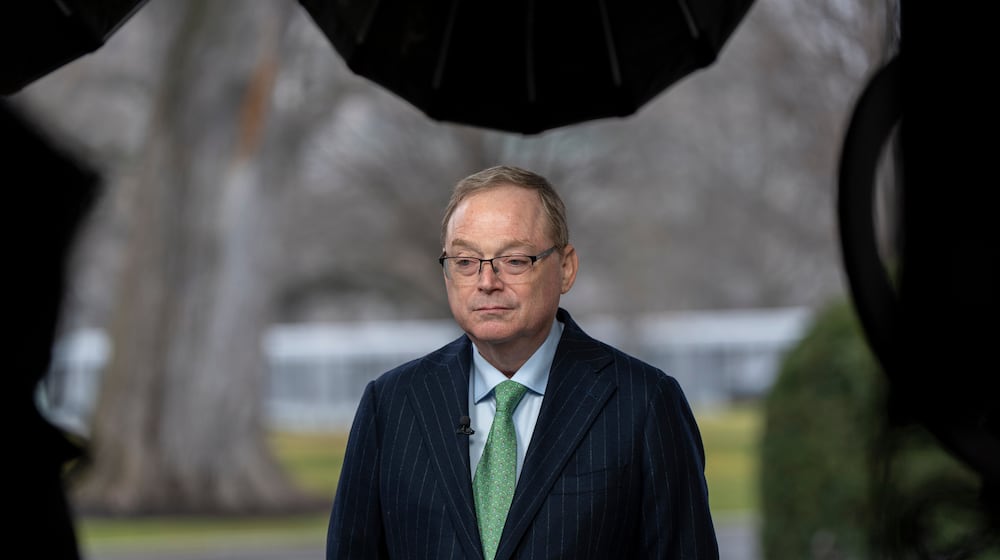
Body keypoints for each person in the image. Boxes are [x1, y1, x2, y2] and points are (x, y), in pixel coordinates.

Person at [327, 165, 718, 559]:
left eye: (513, 260)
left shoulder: (645, 403)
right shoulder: (391, 405)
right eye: (465, 261)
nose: (486, 281)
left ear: (565, 268)